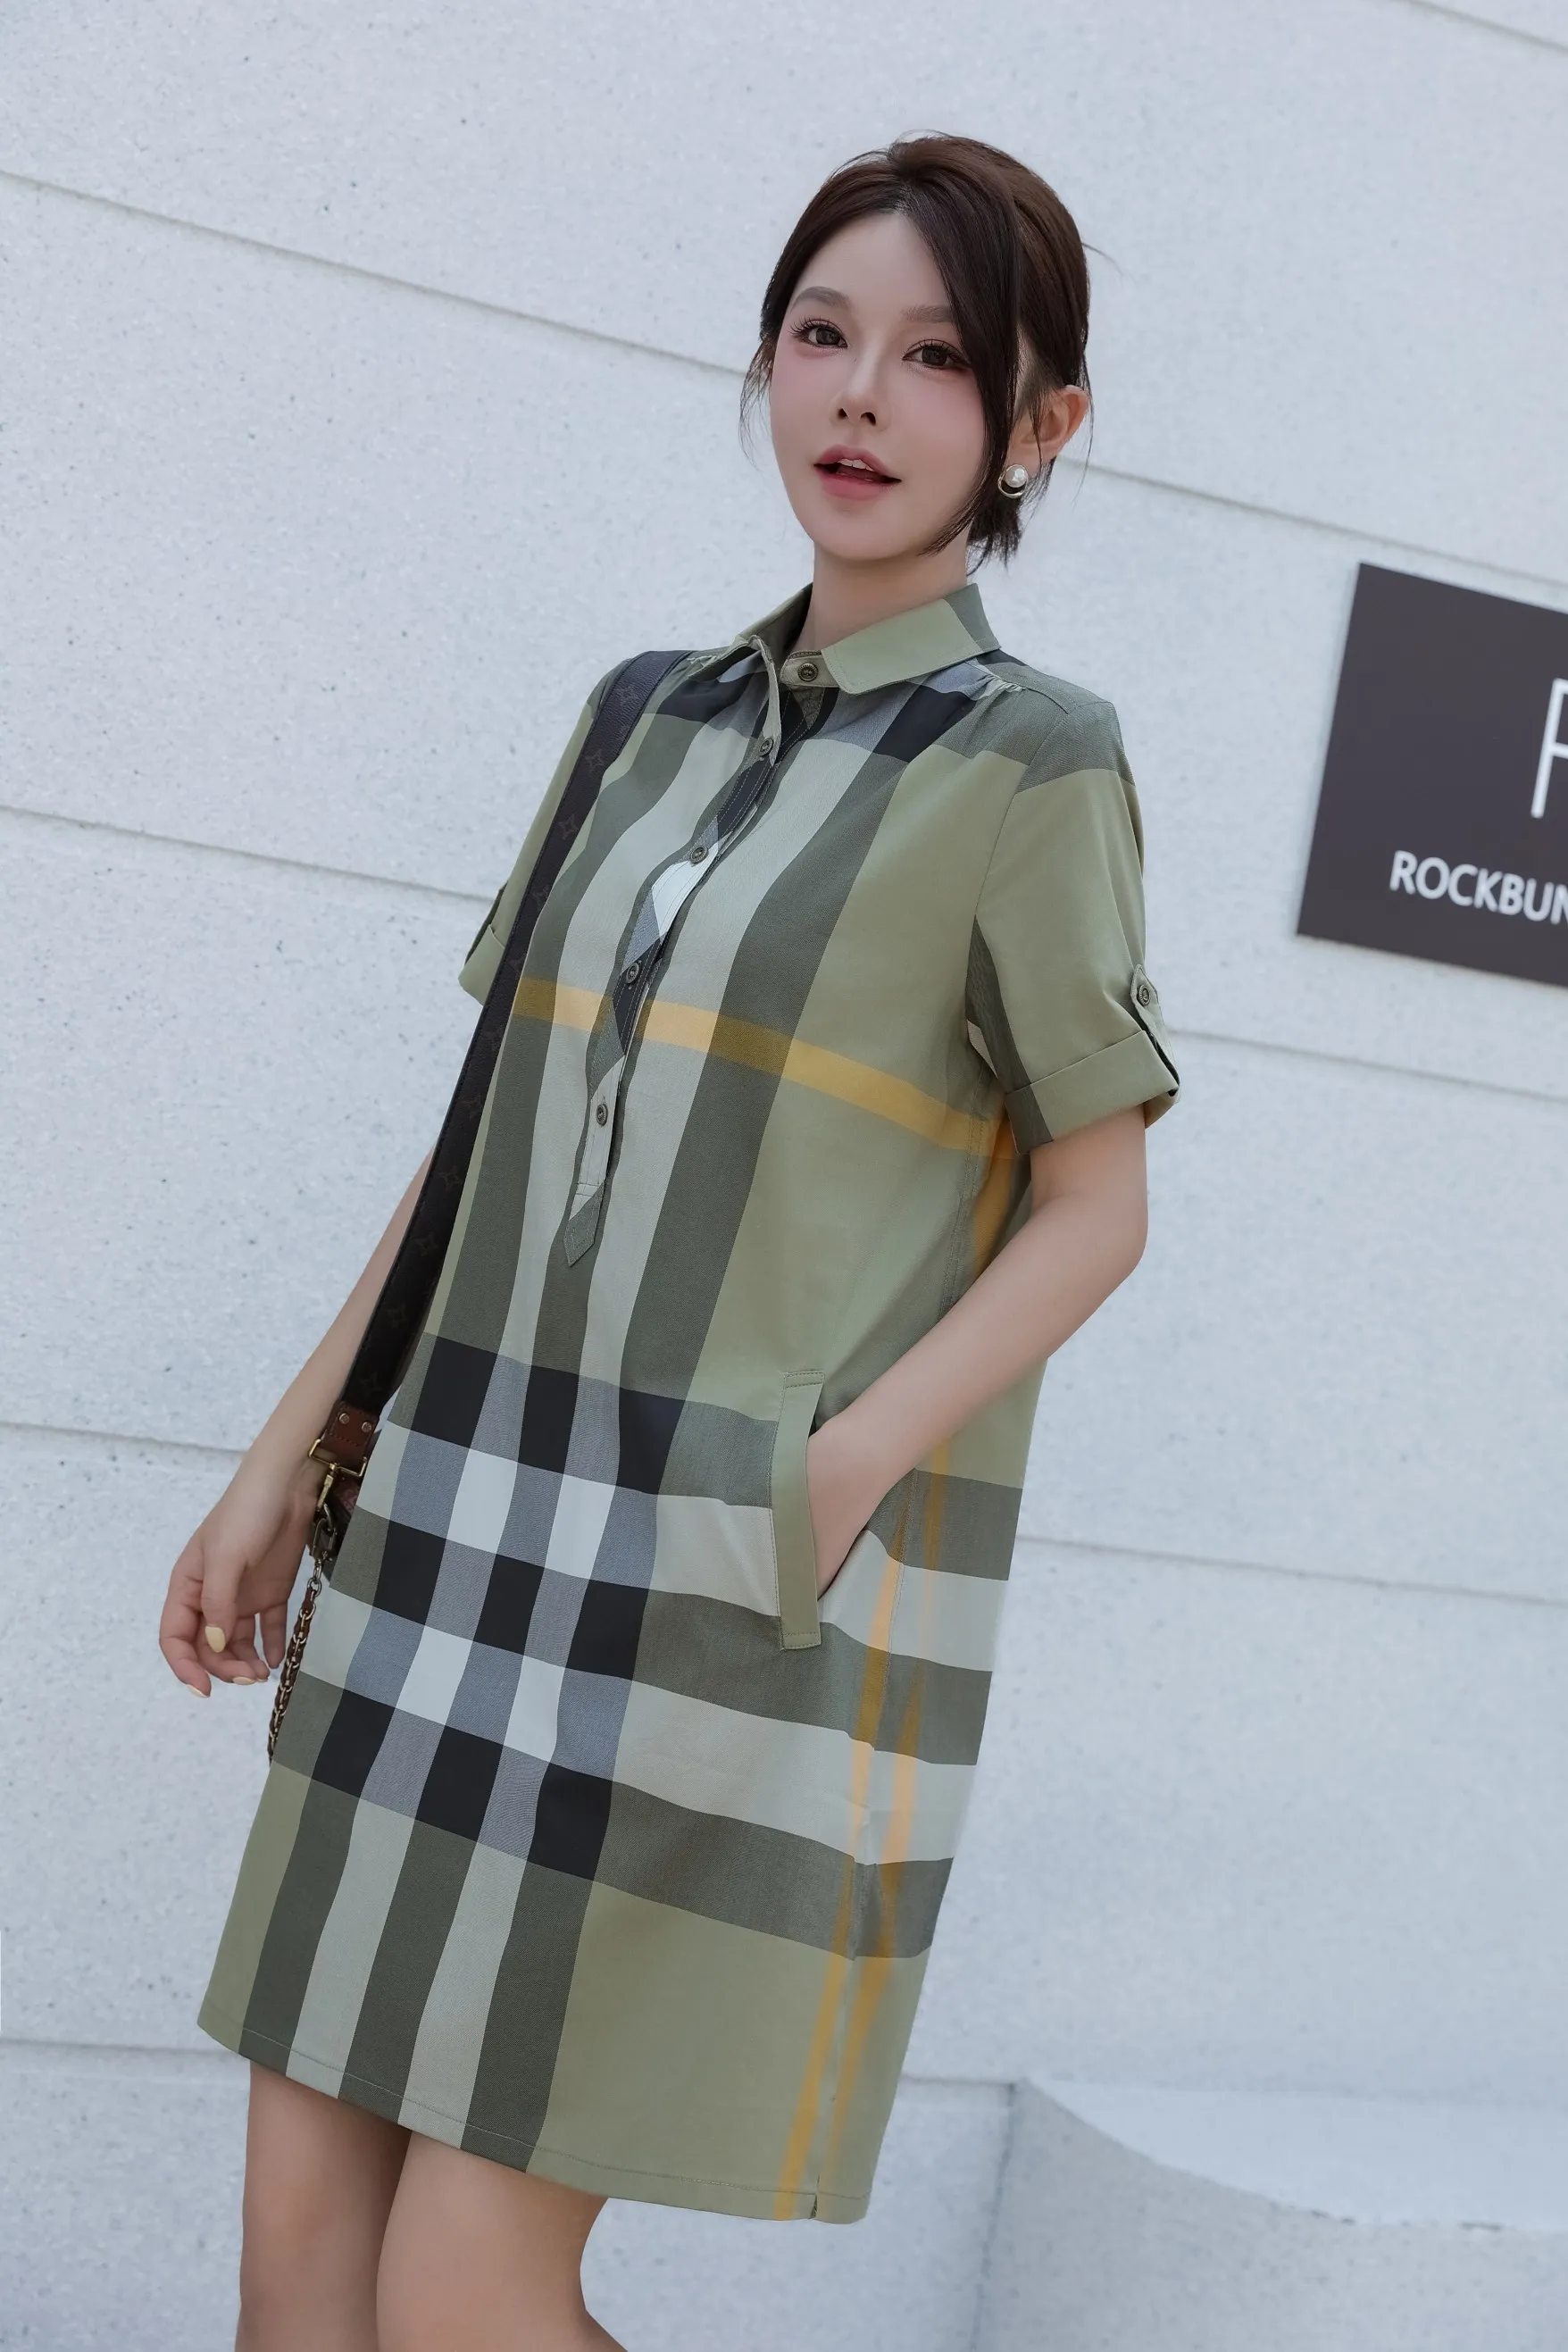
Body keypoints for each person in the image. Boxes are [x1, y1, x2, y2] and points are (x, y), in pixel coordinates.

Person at [160, 130, 1180, 2352]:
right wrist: (285, 1462)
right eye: (821, 334)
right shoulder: (639, 717)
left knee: (458, 2292)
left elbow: (1095, 1208)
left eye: (935, 358)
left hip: (694, 1580)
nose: (860, 394)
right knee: (297, 2279)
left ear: (1039, 425)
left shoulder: (1033, 768)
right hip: (445, 1525)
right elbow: (482, 1138)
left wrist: (833, 1470)